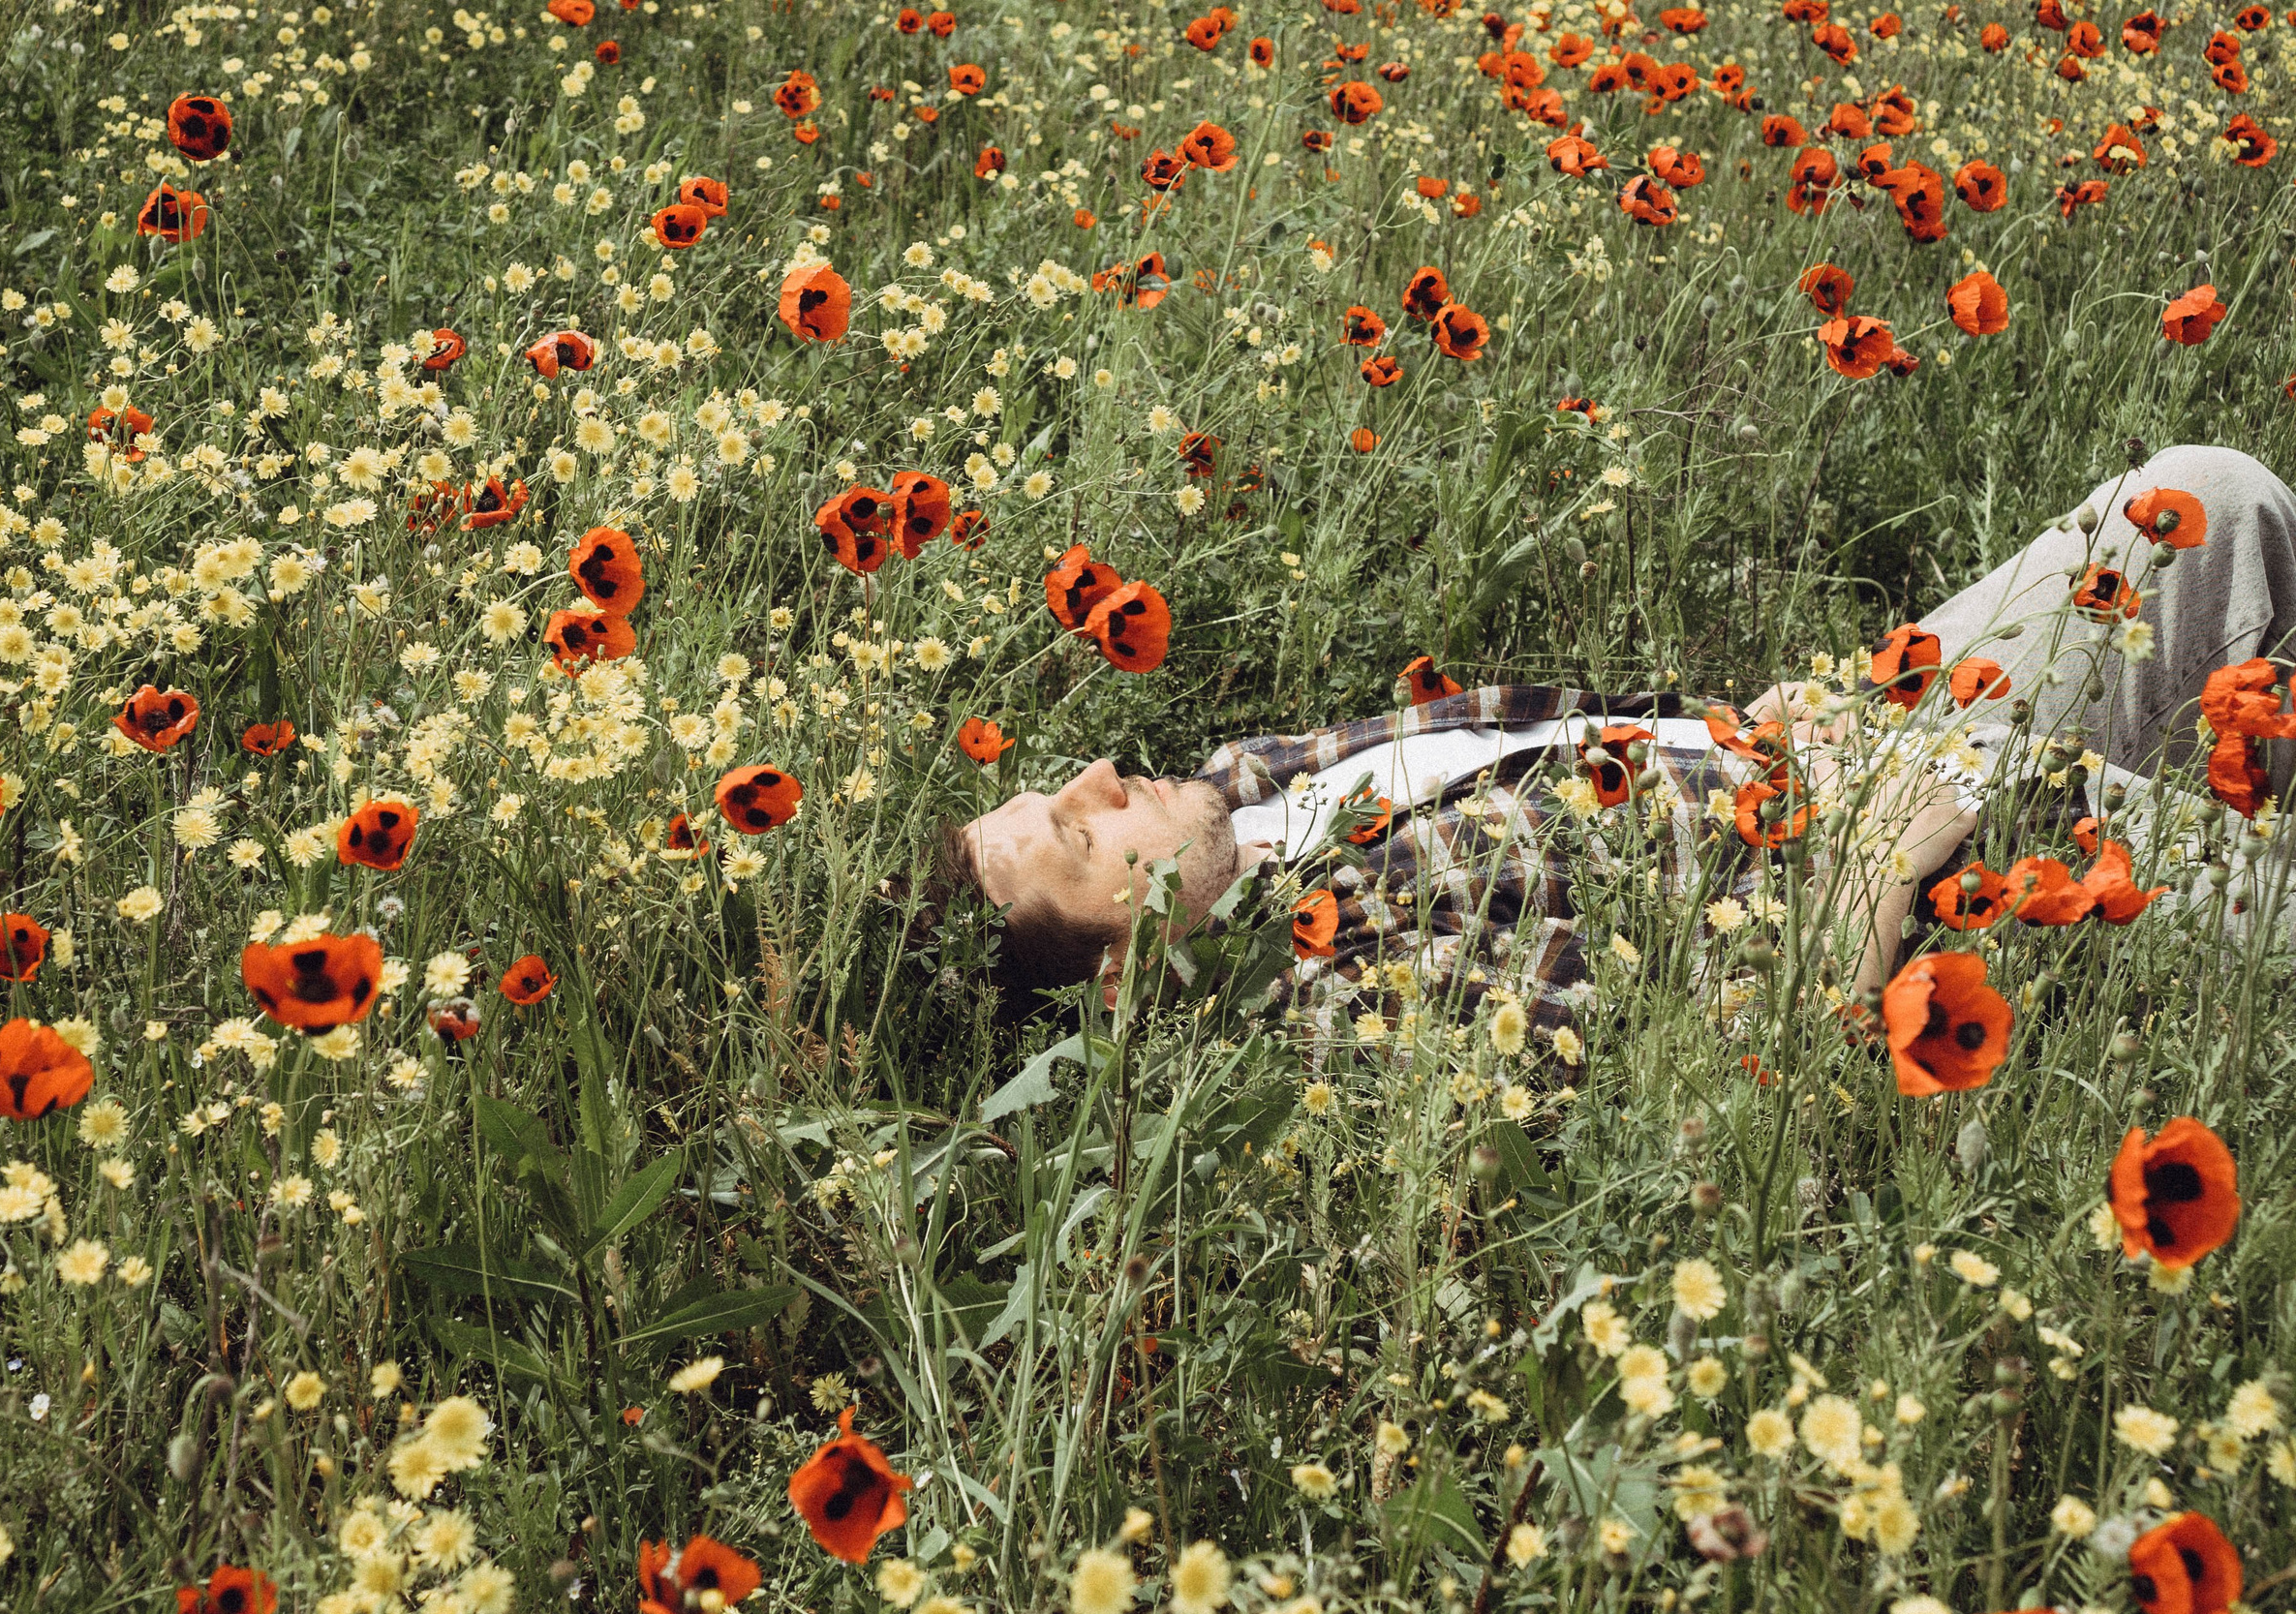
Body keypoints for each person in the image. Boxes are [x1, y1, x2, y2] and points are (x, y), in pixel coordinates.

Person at [941, 445, 2296, 1015]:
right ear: (1124, 989)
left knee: (2204, 500)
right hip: (1915, 863)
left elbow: (1562, 745)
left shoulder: (1245, 789)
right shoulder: (1334, 1001)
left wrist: (1736, 729)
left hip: (1805, 741)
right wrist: (1875, 866)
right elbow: (1702, 1086)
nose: (1106, 773)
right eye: (1077, 829)